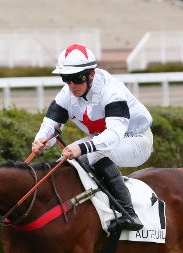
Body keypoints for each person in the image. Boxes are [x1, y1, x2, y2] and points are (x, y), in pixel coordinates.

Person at [32, 44, 154, 231]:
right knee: (65, 160)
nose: (72, 85)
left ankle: (128, 213)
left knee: (95, 154)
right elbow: (51, 125)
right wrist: (41, 140)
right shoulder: (66, 94)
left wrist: (82, 148)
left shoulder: (112, 91)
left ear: (91, 74)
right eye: (66, 79)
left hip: (137, 139)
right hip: (104, 139)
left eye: (77, 78)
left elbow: (114, 135)